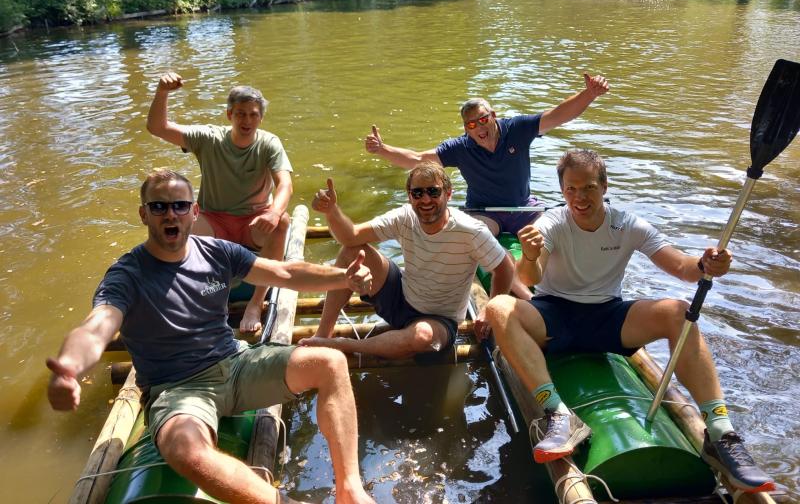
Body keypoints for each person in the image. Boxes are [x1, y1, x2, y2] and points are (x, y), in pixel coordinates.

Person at [46, 169, 376, 504]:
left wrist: (343, 278)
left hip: (234, 364)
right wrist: (69, 367)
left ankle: (350, 489)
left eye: (179, 205)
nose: (170, 214)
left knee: (330, 362)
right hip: (178, 388)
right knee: (184, 449)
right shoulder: (126, 275)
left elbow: (285, 272)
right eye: (159, 207)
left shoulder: (216, 252)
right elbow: (97, 326)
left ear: (194, 212)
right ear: (144, 214)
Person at [483, 150, 775, 494]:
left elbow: (681, 267)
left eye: (588, 188)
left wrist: (705, 264)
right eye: (571, 189)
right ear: (562, 191)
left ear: (604, 186)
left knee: (678, 312)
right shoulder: (552, 222)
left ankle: (721, 432)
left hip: (608, 316)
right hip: (554, 314)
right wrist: (530, 255)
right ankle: (558, 413)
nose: (579, 198)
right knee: (499, 307)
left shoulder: (627, 224)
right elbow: (530, 277)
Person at [365, 73, 609, 298]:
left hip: (523, 207)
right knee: (481, 243)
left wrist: (589, 94)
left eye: (483, 120)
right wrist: (382, 150)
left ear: (493, 115)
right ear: (466, 129)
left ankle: (574, 283)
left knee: (555, 233)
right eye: (472, 125)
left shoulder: (516, 129)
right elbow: (418, 159)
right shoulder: (460, 148)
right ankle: (528, 297)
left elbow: (558, 115)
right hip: (484, 212)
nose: (479, 127)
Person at [299, 161, 514, 359]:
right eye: (418, 193)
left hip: (439, 319)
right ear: (409, 196)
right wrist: (332, 211)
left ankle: (345, 345)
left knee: (422, 337)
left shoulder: (471, 231)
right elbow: (351, 236)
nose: (425, 200)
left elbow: (505, 267)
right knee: (351, 251)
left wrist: (489, 310)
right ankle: (323, 334)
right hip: (401, 296)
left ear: (448, 194)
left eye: (433, 191)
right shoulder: (405, 217)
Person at [147, 71, 292, 334]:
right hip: (214, 219)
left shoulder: (269, 143)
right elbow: (158, 127)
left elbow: (285, 184)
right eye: (240, 114)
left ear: (260, 117)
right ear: (229, 115)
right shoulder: (208, 137)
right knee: (176, 218)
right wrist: (162, 92)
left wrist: (273, 213)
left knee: (282, 220)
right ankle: (189, 296)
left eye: (253, 114)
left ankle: (255, 303)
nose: (247, 120)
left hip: (253, 221)